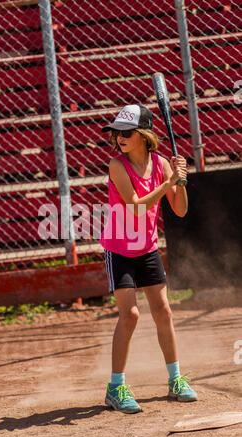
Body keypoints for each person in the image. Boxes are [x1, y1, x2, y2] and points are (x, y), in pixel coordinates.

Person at [99, 104, 197, 413]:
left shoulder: (160, 164)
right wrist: (168, 183)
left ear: (143, 136)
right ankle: (116, 388)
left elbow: (180, 209)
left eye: (127, 133)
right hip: (119, 249)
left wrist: (180, 180)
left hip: (147, 247)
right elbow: (136, 206)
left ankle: (176, 380)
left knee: (163, 310)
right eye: (117, 133)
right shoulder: (117, 165)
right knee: (130, 314)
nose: (120, 138)